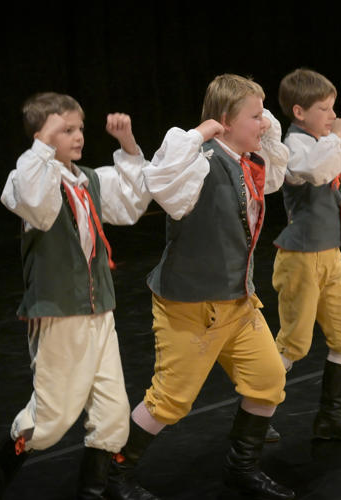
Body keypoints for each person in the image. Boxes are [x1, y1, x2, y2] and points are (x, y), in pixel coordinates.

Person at [105, 74, 294, 500]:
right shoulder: (198, 163)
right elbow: (160, 179)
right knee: (169, 401)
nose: (264, 122)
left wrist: (262, 127)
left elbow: (273, 175)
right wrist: (199, 133)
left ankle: (241, 467)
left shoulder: (247, 161)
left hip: (238, 302)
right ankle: (112, 475)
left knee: (268, 379)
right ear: (225, 121)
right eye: (255, 116)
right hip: (191, 305)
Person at [0, 92, 152, 499]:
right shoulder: (31, 179)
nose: (78, 136)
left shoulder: (87, 179)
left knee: (113, 414)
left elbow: (132, 203)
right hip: (60, 312)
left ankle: (94, 490)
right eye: (66, 129)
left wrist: (127, 145)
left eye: (79, 128)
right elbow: (37, 204)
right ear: (42, 135)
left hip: (99, 310)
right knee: (52, 418)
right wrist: (42, 146)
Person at [268, 68, 341, 446]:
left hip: (329, 256)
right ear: (299, 112)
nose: (332, 115)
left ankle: (331, 418)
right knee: (293, 343)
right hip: (300, 257)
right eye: (324, 109)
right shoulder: (294, 146)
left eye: (334, 108)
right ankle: (256, 411)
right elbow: (315, 170)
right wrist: (337, 136)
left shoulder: (323, 141)